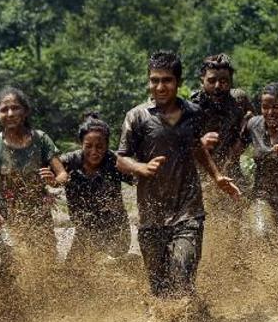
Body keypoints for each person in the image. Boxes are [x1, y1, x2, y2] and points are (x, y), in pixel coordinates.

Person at [116, 51, 241, 308]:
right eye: (154, 80)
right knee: (159, 287)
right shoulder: (137, 116)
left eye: (167, 80)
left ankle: (186, 316)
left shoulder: (193, 113)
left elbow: (197, 147)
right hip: (151, 212)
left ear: (179, 82)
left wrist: (217, 176)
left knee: (182, 269)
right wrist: (141, 167)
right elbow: (120, 159)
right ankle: (187, 311)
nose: (160, 87)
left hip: (188, 209)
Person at [0, 86, 68, 280]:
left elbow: (62, 175)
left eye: (15, 108)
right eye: (4, 109)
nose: (10, 113)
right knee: (13, 259)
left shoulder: (41, 139)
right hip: (5, 217)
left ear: (25, 111)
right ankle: (2, 295)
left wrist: (53, 181)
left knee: (47, 265)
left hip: (39, 216)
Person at [59, 113, 133, 263]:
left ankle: (127, 262)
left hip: (115, 229)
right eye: (88, 146)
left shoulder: (115, 162)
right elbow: (46, 170)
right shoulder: (70, 161)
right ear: (81, 144)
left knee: (107, 264)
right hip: (85, 229)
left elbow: (140, 179)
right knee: (72, 271)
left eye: (100, 147)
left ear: (107, 145)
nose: (94, 152)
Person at [241, 82, 278, 239]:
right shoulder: (254, 125)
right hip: (262, 197)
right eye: (265, 107)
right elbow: (235, 150)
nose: (270, 112)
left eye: (276, 107)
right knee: (261, 234)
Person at [190, 53, 248, 190]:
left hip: (231, 167)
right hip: (201, 172)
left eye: (223, 81)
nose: (217, 86)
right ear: (202, 80)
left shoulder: (239, 100)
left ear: (231, 82)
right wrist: (199, 143)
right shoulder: (192, 107)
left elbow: (255, 124)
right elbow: (176, 145)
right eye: (211, 81)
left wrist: (241, 141)